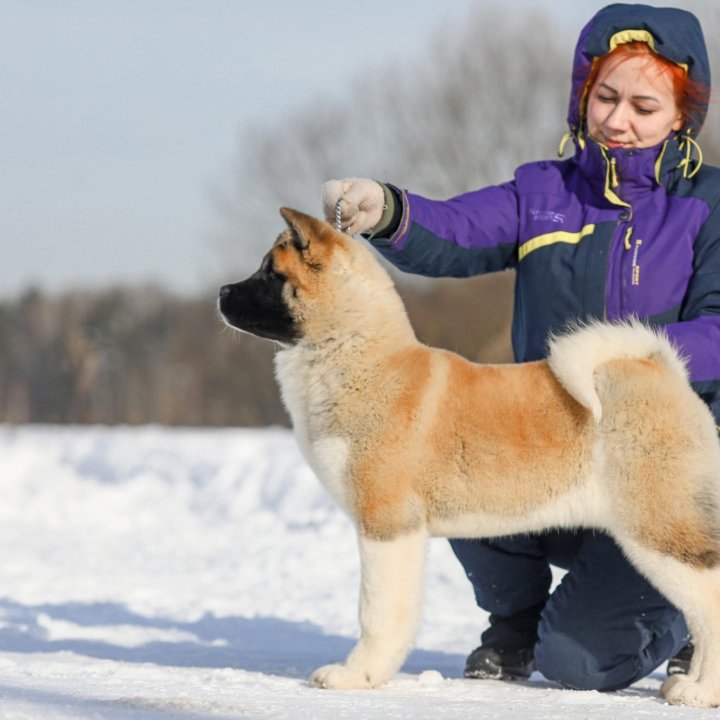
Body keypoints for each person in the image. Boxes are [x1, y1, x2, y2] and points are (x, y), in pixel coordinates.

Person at [320, 3, 720, 693]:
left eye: (645, 106)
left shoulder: (708, 204)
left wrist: (628, 360)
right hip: (552, 446)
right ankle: (515, 621)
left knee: (580, 662)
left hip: (659, 453)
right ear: (582, 97)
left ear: (681, 116)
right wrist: (387, 210)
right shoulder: (546, 192)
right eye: (606, 97)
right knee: (456, 447)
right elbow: (455, 230)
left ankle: (689, 616)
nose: (618, 120)